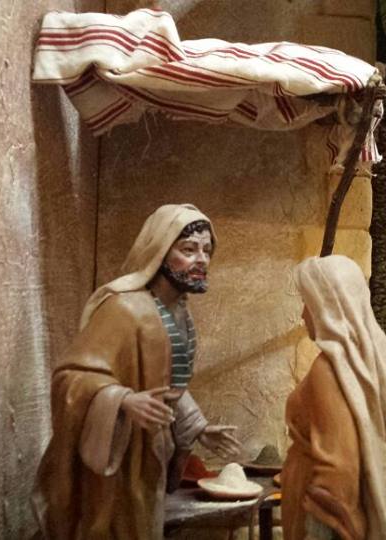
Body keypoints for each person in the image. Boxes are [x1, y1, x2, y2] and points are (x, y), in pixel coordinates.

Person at [32, 204, 242, 539]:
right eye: (188, 250)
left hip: (150, 453)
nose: (201, 260)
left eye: (206, 250)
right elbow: (70, 377)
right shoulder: (124, 308)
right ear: (160, 252)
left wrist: (197, 426)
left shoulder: (178, 312)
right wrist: (123, 400)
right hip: (118, 457)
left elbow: (167, 384)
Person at [282, 255, 386, 540]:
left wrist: (318, 532)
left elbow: (337, 472)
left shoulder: (328, 369)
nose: (303, 314)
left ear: (327, 306)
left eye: (307, 303)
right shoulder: (374, 359)